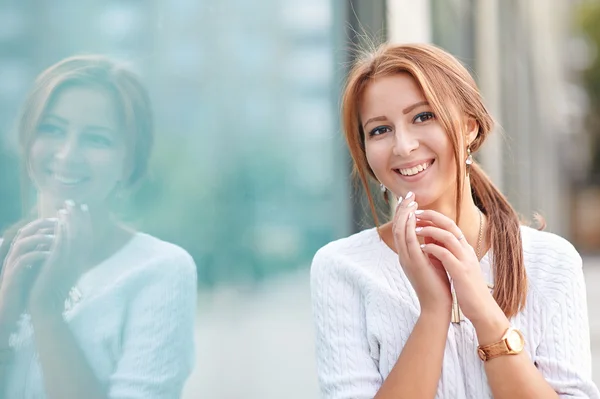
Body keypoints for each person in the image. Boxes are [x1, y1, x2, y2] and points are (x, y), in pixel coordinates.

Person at [310, 42, 600, 399]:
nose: (403, 146)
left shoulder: (550, 262)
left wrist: (482, 309)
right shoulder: (342, 269)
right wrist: (434, 311)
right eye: (379, 130)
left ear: (470, 129)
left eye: (422, 116)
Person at [0, 55, 197, 399]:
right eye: (52, 129)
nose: (68, 154)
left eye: (97, 139)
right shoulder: (5, 257)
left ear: (128, 161)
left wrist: (46, 310)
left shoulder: (160, 272)